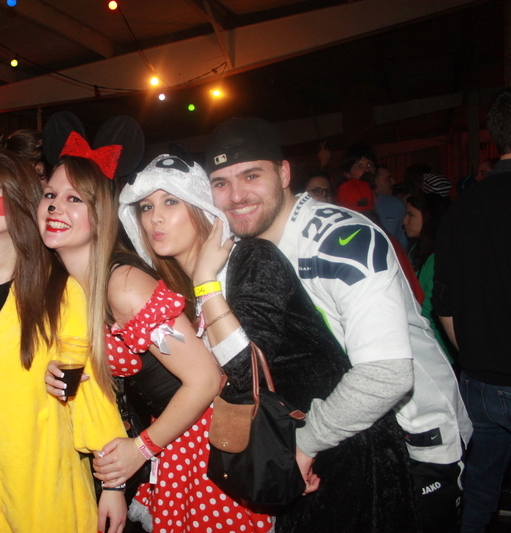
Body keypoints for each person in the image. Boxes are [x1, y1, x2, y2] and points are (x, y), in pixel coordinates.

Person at [112, 153, 416, 532]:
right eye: (145, 207)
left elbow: (245, 373)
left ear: (201, 207)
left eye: (170, 201)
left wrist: (206, 283)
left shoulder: (252, 258)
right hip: (277, 455)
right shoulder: (171, 289)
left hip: (339, 448)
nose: (154, 218)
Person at [205, 117, 472, 533]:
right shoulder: (244, 249)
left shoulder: (341, 238)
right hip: (340, 437)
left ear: (284, 173)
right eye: (221, 183)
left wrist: (303, 444)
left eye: (251, 175)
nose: (236, 195)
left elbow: (386, 374)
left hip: (413, 442)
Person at [41, 141, 267, 533]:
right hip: (172, 439)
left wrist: (141, 449)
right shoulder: (77, 287)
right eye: (49, 195)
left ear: (102, 213)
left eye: (73, 198)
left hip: (202, 444)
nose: (54, 207)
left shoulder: (123, 284)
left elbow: (207, 379)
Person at [0, 148, 128, 533]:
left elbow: (89, 391)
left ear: (21, 197)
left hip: (48, 499)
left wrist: (113, 485)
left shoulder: (61, 290)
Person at [434, 88, 511, 533]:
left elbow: (443, 303)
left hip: (479, 382)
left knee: (479, 489)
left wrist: (476, 354)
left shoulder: (461, 210)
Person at [403, 192, 455, 362]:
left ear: (429, 218)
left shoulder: (438, 258)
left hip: (435, 348)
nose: (404, 221)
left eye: (411, 215)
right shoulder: (416, 249)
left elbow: (429, 309)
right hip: (419, 339)